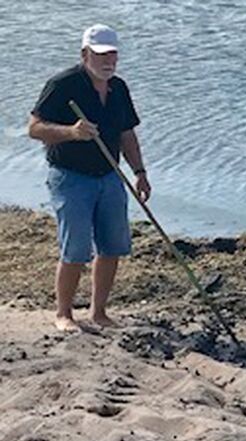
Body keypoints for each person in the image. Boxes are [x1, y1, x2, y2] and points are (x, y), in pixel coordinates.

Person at [27, 24, 150, 333]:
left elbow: (127, 134)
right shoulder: (62, 85)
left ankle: (99, 312)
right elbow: (35, 129)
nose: (108, 61)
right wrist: (72, 132)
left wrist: (140, 172)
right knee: (76, 249)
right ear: (85, 55)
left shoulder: (118, 88)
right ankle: (64, 314)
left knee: (112, 246)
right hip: (71, 177)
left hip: (109, 176)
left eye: (112, 55)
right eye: (100, 55)